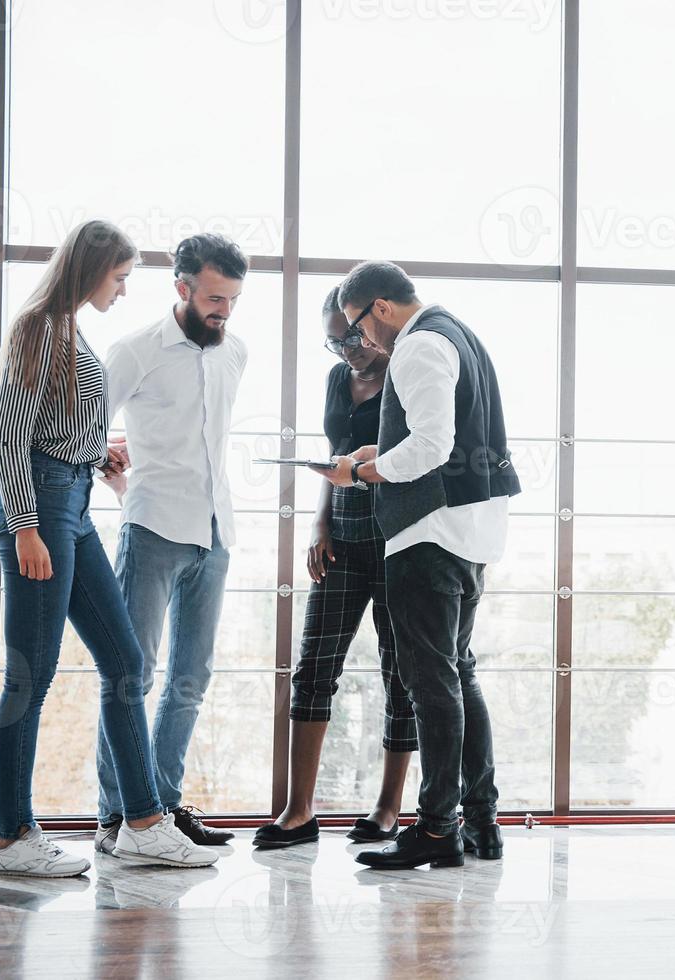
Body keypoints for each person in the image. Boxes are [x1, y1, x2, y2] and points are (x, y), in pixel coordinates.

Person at [0, 219, 217, 876]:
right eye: (118, 278)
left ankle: (142, 821)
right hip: (42, 512)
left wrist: (95, 451)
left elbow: (51, 426)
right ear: (90, 270)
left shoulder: (65, 328)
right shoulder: (39, 325)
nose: (121, 290)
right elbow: (6, 434)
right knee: (30, 676)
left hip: (73, 504)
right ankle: (12, 837)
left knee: (123, 661)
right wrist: (27, 527)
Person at [316, 260, 519, 870]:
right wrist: (382, 453)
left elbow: (429, 449)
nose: (360, 344)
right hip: (470, 531)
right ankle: (481, 822)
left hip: (430, 533)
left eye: (355, 328)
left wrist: (358, 471)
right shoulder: (458, 333)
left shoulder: (416, 345)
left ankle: (436, 829)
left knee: (433, 684)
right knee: (457, 675)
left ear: (378, 307)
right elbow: (443, 437)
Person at [91, 234, 249, 855]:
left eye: (233, 299)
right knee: (131, 678)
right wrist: (120, 479)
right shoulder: (134, 351)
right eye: (214, 298)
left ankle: (161, 807)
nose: (225, 311)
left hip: (215, 534)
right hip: (153, 528)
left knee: (190, 679)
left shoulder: (235, 352)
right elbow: (83, 425)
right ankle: (117, 818)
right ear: (181, 287)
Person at [253, 285, 415, 850]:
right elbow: (334, 460)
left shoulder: (407, 373)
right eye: (333, 343)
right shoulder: (335, 381)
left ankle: (389, 808)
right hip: (343, 536)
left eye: (350, 336)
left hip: (398, 540)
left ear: (371, 320)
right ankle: (299, 812)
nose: (347, 351)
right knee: (314, 665)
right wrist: (320, 524)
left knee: (401, 675)